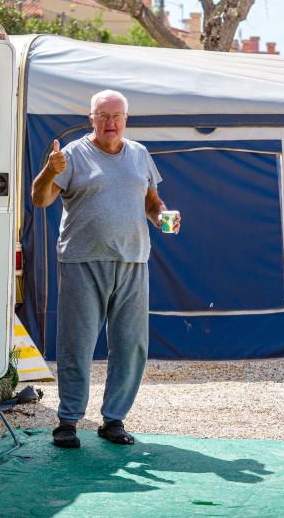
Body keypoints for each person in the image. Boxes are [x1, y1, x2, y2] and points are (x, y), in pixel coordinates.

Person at [31, 89, 180, 449]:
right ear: (91, 118)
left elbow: (151, 202)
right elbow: (40, 198)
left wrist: (163, 217)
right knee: (76, 344)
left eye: (116, 116)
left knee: (130, 345)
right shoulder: (71, 156)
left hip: (133, 260)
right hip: (83, 260)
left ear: (126, 119)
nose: (110, 122)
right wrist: (48, 171)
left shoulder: (140, 154)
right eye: (103, 115)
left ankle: (113, 419)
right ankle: (67, 421)